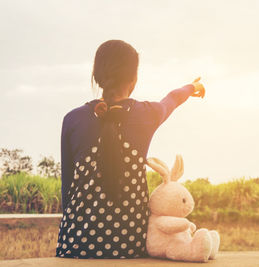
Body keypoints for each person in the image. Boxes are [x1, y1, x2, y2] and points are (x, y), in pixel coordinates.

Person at [55, 39, 205, 259]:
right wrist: (192, 87)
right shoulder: (147, 114)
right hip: (128, 244)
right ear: (134, 79)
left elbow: (67, 186)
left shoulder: (72, 120)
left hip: (76, 243)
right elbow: (171, 99)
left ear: (97, 77)